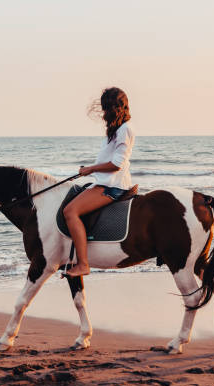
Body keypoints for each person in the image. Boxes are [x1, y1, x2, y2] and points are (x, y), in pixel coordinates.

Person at [64, 87, 135, 277]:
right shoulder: (116, 130)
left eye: (106, 108)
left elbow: (116, 165)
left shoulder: (125, 130)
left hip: (112, 186)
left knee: (70, 212)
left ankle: (83, 264)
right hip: (104, 182)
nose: (103, 113)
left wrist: (91, 169)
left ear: (114, 108)